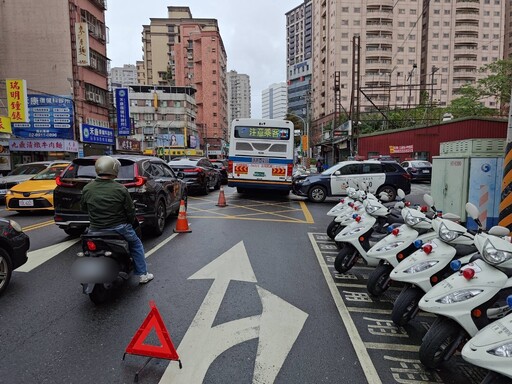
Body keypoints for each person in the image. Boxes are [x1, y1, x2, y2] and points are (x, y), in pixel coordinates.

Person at [80, 156, 154, 284]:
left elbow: (83, 208)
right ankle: (143, 274)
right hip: (118, 228)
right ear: (114, 170)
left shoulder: (87, 188)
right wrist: (130, 221)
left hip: (94, 229)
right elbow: (130, 211)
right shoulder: (120, 189)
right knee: (136, 245)